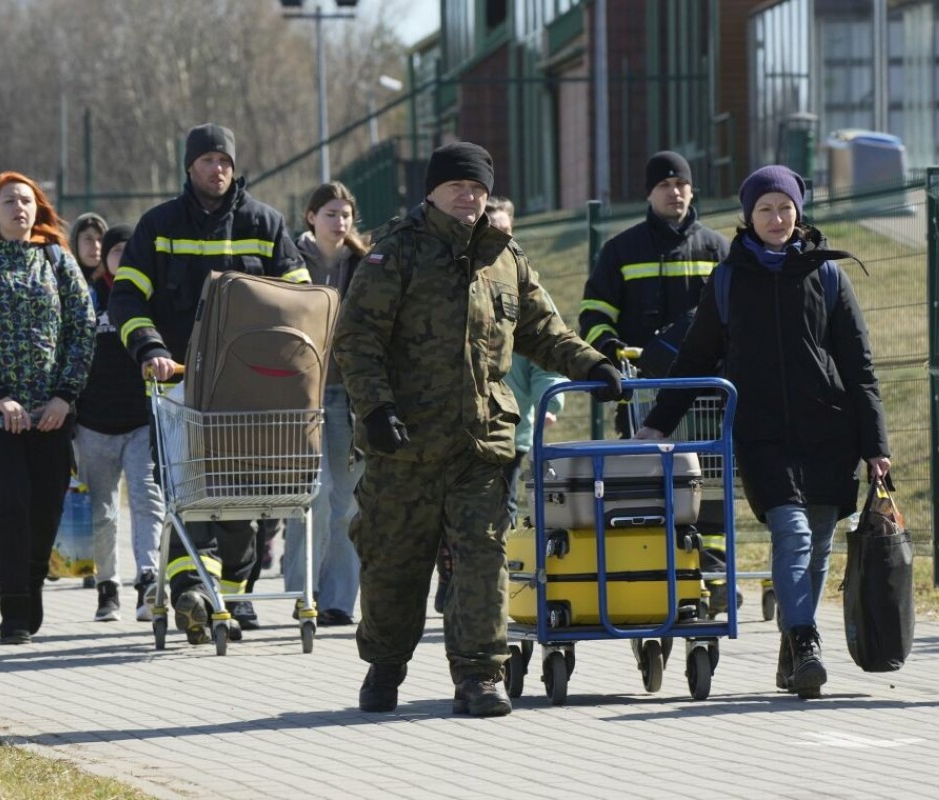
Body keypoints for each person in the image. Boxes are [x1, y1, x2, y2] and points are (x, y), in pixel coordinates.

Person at [333, 142, 624, 717]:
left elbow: (544, 330)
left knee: (482, 559)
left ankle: (480, 676)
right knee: (395, 562)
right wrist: (376, 410)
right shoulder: (396, 254)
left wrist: (592, 365)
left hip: (481, 443)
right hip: (404, 446)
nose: (469, 196)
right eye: (457, 187)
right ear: (432, 192)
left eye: (478, 188)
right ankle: (385, 665)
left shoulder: (504, 257)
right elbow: (356, 341)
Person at [635, 165, 891, 698]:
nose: (777, 218)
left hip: (829, 431)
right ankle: (805, 639)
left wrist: (876, 448)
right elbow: (695, 357)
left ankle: (792, 652)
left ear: (799, 211)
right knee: (792, 534)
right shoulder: (728, 279)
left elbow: (859, 367)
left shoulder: (826, 276)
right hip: (762, 433)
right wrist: (658, 420)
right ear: (748, 218)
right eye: (765, 209)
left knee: (819, 544)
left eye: (785, 207)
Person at [108, 123, 308, 645]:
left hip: (249, 393)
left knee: (243, 501)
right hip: (177, 388)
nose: (217, 170)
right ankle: (194, 593)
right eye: (206, 161)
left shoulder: (265, 224)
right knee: (184, 495)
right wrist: (150, 349)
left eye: (224, 161)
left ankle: (224, 595)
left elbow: (300, 299)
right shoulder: (158, 227)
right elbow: (126, 299)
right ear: (189, 167)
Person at [0, 171, 96, 645]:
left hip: (50, 410)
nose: (19, 209)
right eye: (9, 202)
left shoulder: (58, 261)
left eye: (26, 201)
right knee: (9, 507)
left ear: (38, 210)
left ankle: (31, 586)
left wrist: (64, 396)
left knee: (46, 506)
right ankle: (13, 609)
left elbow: (82, 330)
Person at [577, 149, 736, 613]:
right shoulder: (621, 251)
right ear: (649, 192)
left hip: (706, 396)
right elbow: (593, 313)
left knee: (707, 479)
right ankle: (655, 567)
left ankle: (712, 569)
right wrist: (607, 349)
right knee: (647, 483)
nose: (675, 191)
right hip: (643, 393)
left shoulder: (717, 250)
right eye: (665, 184)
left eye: (682, 183)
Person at [432, 195, 567, 614]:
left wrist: (551, 402)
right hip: (456, 423)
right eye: (494, 230)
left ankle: (487, 596)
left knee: (498, 513)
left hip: (513, 427)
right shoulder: (452, 280)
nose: (501, 238)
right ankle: (452, 569)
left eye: (507, 231)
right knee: (448, 511)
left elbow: (551, 347)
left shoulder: (523, 283)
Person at [280, 181, 369, 628]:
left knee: (349, 500)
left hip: (349, 397)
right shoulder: (291, 260)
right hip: (301, 397)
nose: (340, 223)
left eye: (346, 214)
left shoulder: (365, 264)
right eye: (331, 214)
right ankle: (302, 591)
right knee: (311, 496)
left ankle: (338, 601)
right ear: (311, 217)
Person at [75, 223, 167, 623]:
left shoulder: (153, 299)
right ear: (105, 258)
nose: (123, 258)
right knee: (103, 512)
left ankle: (148, 581)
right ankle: (106, 585)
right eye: (116, 252)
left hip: (141, 421)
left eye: (131, 252)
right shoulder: (86, 297)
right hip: (94, 424)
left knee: (149, 501)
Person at [66, 211, 109, 590]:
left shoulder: (117, 284)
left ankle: (100, 562)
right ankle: (83, 559)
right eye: (87, 240)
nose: (94, 247)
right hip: (79, 404)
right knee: (85, 487)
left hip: (112, 403)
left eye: (99, 240)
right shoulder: (67, 283)